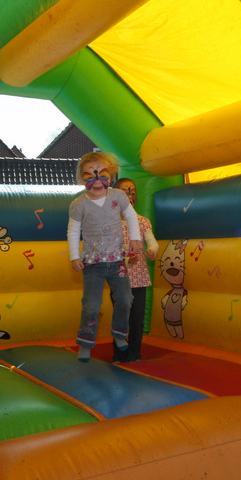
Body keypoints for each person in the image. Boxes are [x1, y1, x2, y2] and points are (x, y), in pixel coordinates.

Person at [68, 153, 143, 362]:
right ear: (81, 179)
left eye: (102, 175)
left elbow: (131, 216)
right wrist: (74, 256)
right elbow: (73, 230)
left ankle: (119, 333)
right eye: (89, 176)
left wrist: (135, 239)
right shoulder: (79, 204)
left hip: (117, 261)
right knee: (91, 305)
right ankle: (85, 344)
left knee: (126, 299)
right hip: (93, 264)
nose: (97, 181)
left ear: (110, 176)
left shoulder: (118, 196)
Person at [113, 178, 159, 362]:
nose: (130, 195)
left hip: (139, 278)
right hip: (119, 278)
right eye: (125, 191)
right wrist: (125, 255)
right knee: (121, 318)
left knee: (137, 319)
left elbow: (152, 242)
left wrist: (151, 250)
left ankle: (134, 354)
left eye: (132, 192)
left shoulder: (142, 222)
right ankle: (119, 355)